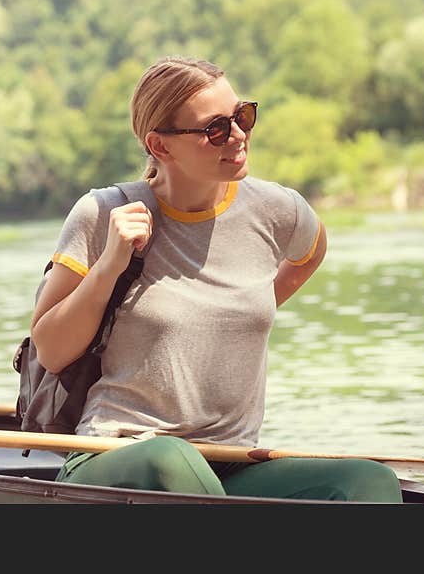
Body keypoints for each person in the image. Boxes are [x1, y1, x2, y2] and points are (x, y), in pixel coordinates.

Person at [30, 56, 402, 502]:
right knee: (170, 460)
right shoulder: (102, 213)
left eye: (242, 116)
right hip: (118, 456)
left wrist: (243, 308)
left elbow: (310, 254)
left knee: (367, 482)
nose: (239, 135)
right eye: (216, 129)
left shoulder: (278, 210)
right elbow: (50, 351)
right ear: (160, 147)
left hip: (232, 464)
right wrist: (110, 264)